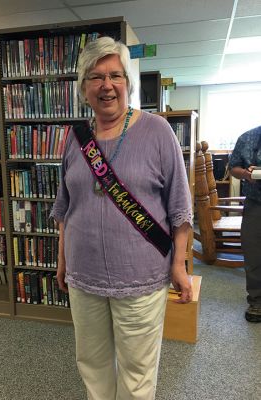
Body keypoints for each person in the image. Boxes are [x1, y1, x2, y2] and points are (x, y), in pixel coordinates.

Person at [51, 36, 193, 400]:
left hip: (141, 278)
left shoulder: (157, 131)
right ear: (84, 88)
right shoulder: (75, 138)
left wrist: (179, 265)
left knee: (137, 371)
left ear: (127, 83)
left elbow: (180, 209)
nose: (107, 85)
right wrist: (62, 260)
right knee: (92, 364)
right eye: (96, 77)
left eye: (115, 75)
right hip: (84, 277)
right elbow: (65, 207)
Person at [229, 126, 261, 323]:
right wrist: (247, 174)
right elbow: (233, 168)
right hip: (255, 203)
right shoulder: (247, 138)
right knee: (254, 254)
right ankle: (257, 301)